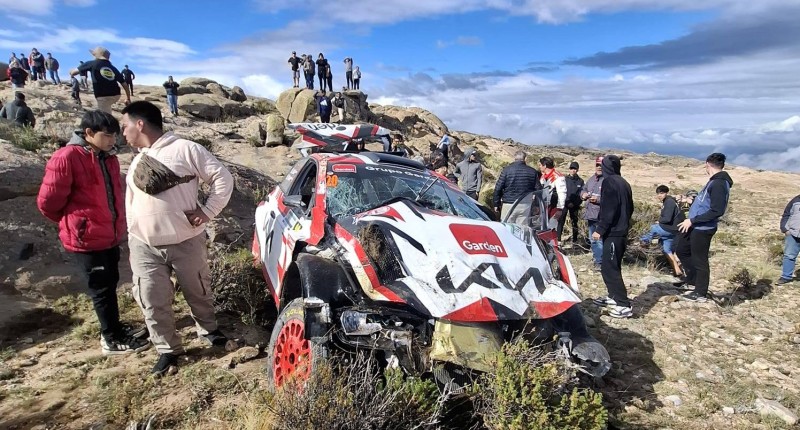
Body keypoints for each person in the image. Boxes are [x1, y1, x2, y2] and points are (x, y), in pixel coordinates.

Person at [121, 101, 233, 376]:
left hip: (185, 239)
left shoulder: (185, 149)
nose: (123, 133)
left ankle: (208, 331)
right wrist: (133, 235)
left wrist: (207, 212)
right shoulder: (137, 160)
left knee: (198, 289)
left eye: (125, 126)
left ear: (139, 124)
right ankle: (167, 350)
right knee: (151, 297)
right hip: (144, 244)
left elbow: (222, 178)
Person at [37, 110, 150, 355]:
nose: (112, 141)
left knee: (110, 284)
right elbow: (48, 202)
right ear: (88, 132)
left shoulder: (107, 158)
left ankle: (115, 327)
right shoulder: (67, 157)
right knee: (101, 289)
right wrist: (77, 224)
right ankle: (111, 339)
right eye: (107, 135)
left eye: (114, 135)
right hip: (87, 239)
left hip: (108, 235)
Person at [675, 153, 733, 302]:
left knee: (700, 260)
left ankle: (700, 292)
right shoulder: (714, 181)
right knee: (682, 249)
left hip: (703, 228)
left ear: (707, 164)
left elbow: (717, 210)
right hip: (696, 225)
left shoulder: (719, 183)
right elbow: (705, 202)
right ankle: (692, 280)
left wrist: (692, 220)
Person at [591, 155, 634, 319]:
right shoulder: (624, 182)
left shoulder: (609, 182)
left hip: (614, 232)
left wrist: (600, 229)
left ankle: (623, 305)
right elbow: (630, 208)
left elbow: (609, 209)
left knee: (610, 268)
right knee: (610, 265)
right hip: (621, 230)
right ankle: (613, 296)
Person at [640, 185, 685, 276]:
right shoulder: (670, 201)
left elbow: (667, 219)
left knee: (651, 228)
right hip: (674, 231)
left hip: (668, 228)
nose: (659, 195)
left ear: (666, 193)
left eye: (662, 193)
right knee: (667, 250)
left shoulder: (669, 202)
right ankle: (677, 271)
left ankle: (642, 245)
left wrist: (659, 221)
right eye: (658, 193)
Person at [71, 46, 131, 114]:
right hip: (116, 94)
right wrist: (128, 98)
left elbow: (73, 72)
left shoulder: (92, 63)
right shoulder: (113, 67)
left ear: (96, 55)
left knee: (105, 115)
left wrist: (71, 72)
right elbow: (125, 84)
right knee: (106, 106)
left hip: (103, 95)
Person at [492, 151, 540, 225]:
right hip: (525, 205)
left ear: (514, 158)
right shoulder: (532, 171)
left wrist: (496, 204)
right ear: (525, 159)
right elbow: (538, 189)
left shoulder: (506, 170)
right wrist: (536, 204)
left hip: (509, 204)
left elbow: (498, 188)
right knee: (522, 229)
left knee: (507, 227)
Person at [581, 157, 604, 270]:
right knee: (593, 239)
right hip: (590, 215)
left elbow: (611, 199)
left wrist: (598, 200)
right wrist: (583, 195)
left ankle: (600, 262)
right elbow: (583, 189)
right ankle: (597, 258)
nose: (599, 167)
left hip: (601, 216)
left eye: (601, 165)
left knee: (599, 240)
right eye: (597, 165)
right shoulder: (591, 179)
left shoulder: (607, 180)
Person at [558, 161, 584, 244]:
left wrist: (575, 203)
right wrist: (567, 202)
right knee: (561, 221)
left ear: (577, 170)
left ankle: (575, 241)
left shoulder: (580, 181)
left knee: (574, 222)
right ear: (569, 169)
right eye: (571, 168)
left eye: (575, 169)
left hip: (574, 205)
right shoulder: (565, 179)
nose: (573, 170)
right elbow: (562, 192)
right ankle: (558, 240)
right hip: (564, 204)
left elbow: (581, 194)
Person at [539, 157, 567, 230]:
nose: (539, 167)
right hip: (544, 207)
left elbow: (562, 193)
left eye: (540, 165)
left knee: (551, 229)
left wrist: (559, 209)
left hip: (554, 207)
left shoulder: (558, 177)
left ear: (545, 166)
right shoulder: (543, 177)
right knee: (543, 229)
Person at [778, 194, 800, 285]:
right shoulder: (795, 200)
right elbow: (786, 214)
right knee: (789, 256)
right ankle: (786, 277)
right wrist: (785, 229)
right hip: (793, 234)